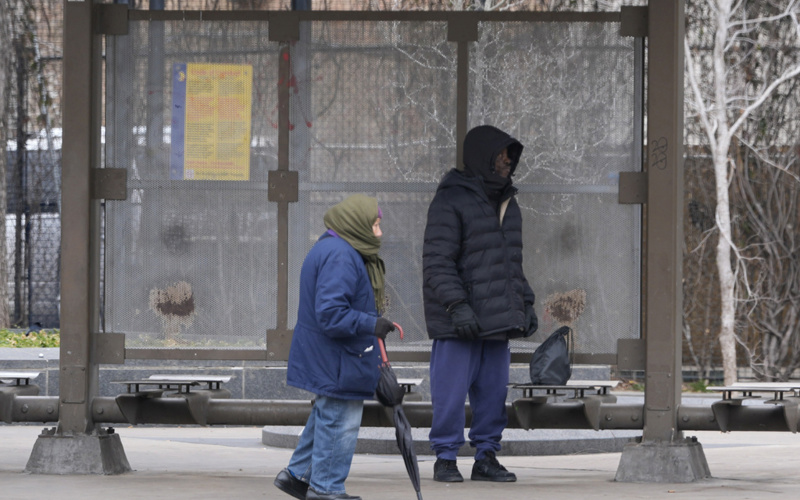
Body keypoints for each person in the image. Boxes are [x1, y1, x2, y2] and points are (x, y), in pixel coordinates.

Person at [422, 125, 538, 483]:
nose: (507, 161)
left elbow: (510, 262)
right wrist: (456, 305)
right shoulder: (451, 199)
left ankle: (486, 456)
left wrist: (526, 302)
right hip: (460, 322)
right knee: (450, 395)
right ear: (482, 156)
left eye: (510, 155)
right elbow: (437, 261)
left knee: (492, 395)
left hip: (497, 319)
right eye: (501, 154)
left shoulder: (508, 201)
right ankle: (446, 458)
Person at [274, 194, 396, 500]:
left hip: (332, 356)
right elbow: (330, 314)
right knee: (339, 420)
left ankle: (297, 476)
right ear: (357, 224)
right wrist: (371, 324)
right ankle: (326, 488)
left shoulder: (334, 248)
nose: (379, 233)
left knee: (327, 415)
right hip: (339, 359)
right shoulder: (341, 255)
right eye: (375, 225)